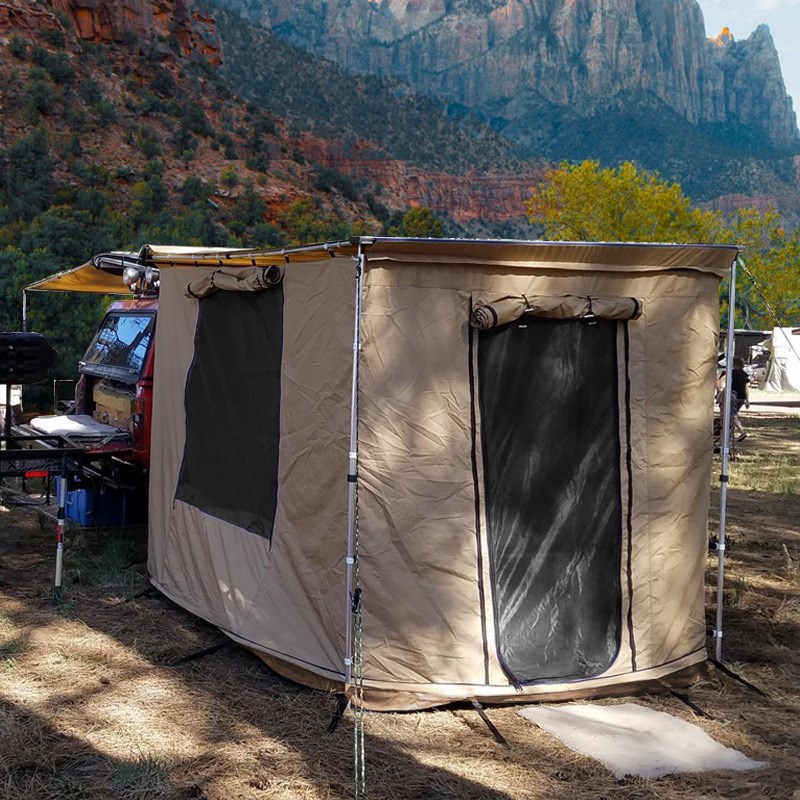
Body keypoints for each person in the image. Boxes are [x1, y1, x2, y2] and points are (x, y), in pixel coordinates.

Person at [730, 356, 750, 442]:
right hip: (742, 398)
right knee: (732, 415)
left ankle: (742, 432)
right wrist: (747, 400)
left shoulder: (732, 373)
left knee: (732, 415)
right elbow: (746, 388)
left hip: (733, 396)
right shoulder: (745, 374)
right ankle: (729, 434)